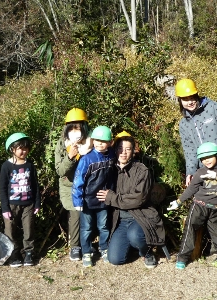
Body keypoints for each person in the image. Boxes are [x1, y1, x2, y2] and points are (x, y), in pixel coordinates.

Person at [175, 78, 217, 253]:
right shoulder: (184, 124)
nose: (190, 101)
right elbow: (189, 150)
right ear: (179, 101)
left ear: (197, 94)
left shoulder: (213, 107)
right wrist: (190, 172)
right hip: (204, 170)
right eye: (184, 98)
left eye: (192, 96)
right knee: (208, 208)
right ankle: (209, 248)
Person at [167, 142, 217, 274]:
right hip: (199, 206)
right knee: (190, 231)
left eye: (209, 157)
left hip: (216, 209)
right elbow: (192, 189)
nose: (206, 160)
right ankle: (182, 258)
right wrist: (178, 202)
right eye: (203, 158)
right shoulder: (201, 172)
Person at [97, 134, 166, 269]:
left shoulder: (142, 170)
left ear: (133, 151)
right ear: (115, 149)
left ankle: (146, 252)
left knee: (135, 235)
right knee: (115, 259)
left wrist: (112, 198)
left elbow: (138, 199)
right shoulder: (109, 169)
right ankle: (135, 244)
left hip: (140, 216)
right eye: (120, 148)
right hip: (121, 220)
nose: (123, 152)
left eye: (128, 149)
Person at [72, 125, 115, 267]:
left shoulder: (111, 156)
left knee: (104, 226)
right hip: (87, 201)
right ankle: (86, 252)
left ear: (109, 142)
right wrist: (77, 200)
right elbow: (78, 181)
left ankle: (104, 248)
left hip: (103, 200)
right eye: (96, 140)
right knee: (86, 228)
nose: (99, 143)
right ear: (92, 141)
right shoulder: (87, 159)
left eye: (103, 141)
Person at [54, 108, 93, 261]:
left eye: (78, 127)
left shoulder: (91, 142)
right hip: (69, 187)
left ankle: (90, 244)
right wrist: (70, 157)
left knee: (93, 213)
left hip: (88, 186)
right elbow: (60, 171)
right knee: (75, 214)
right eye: (71, 128)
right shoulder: (62, 144)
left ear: (84, 127)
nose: (75, 131)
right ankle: (75, 246)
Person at [0, 133, 41, 267]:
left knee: (28, 229)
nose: (23, 151)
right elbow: (3, 188)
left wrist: (37, 203)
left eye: (25, 148)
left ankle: (28, 252)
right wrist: (5, 208)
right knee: (10, 230)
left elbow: (35, 185)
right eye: (19, 148)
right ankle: (13, 253)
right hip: (12, 204)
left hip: (28, 203)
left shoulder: (30, 165)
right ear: (12, 149)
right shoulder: (6, 166)